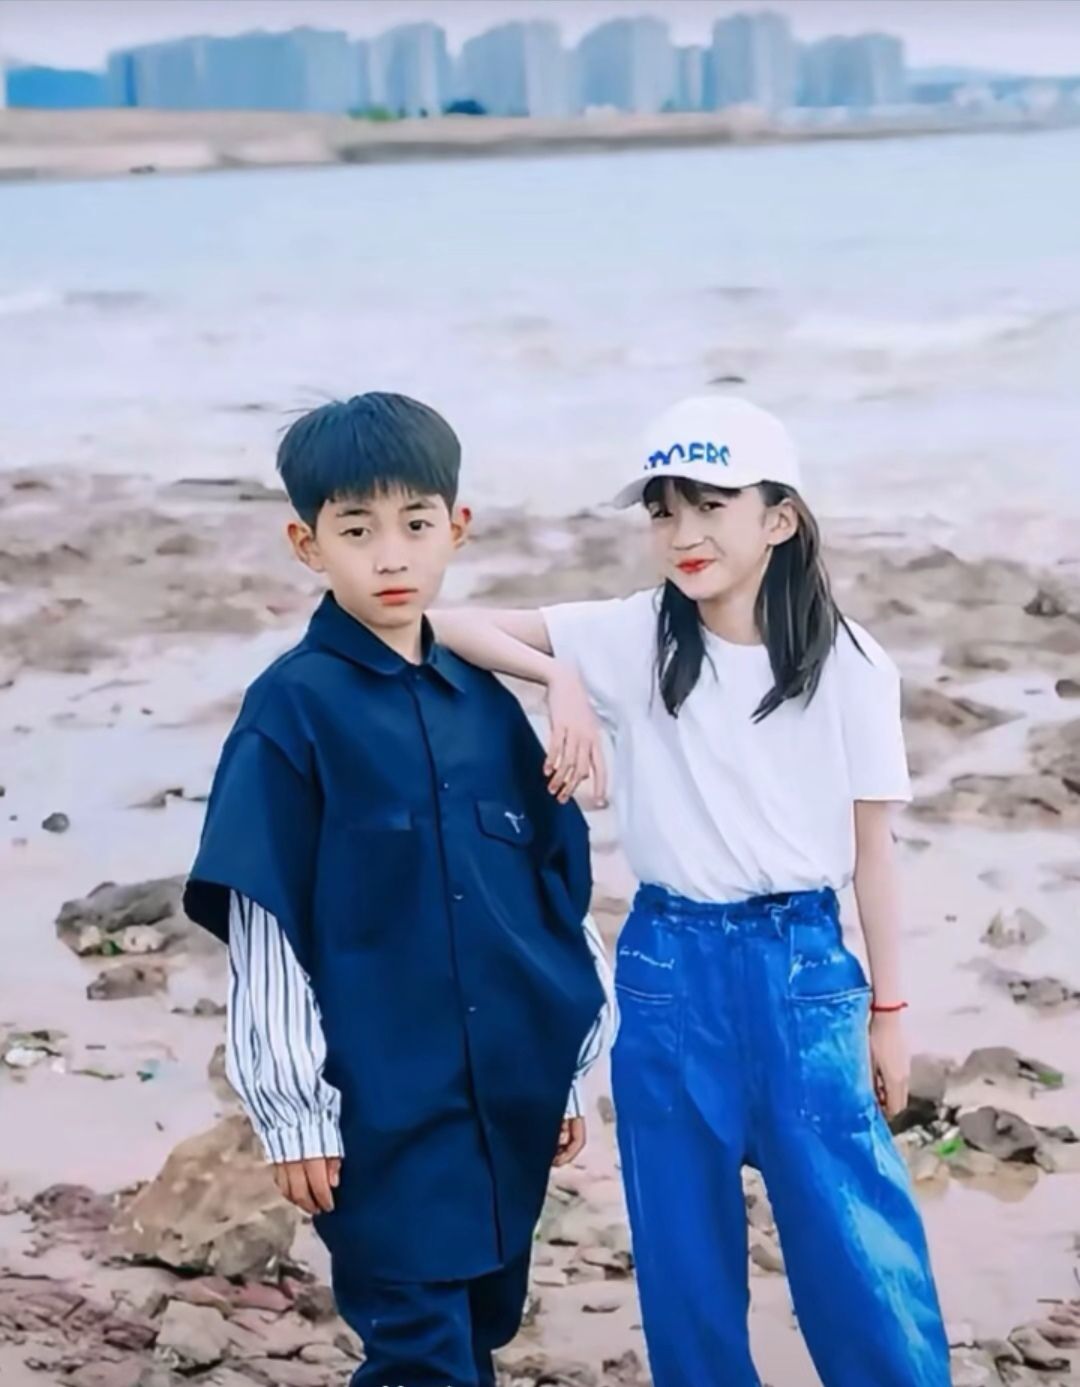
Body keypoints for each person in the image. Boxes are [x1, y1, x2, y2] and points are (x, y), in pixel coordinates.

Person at [430, 395, 951, 1387]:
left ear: (779, 518)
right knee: (684, 1264)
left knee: (859, 1249)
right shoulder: (632, 636)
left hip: (802, 971)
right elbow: (438, 621)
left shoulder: (850, 664)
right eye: (664, 510)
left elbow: (874, 853)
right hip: (668, 968)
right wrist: (558, 678)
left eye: (712, 504)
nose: (684, 534)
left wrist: (890, 1012)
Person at [182, 392, 612, 1387]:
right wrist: (292, 1110)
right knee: (419, 1351)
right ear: (307, 543)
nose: (391, 556)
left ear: (457, 528)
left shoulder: (485, 707)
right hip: (375, 1111)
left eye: (416, 525)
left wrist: (565, 1068)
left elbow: (550, 900)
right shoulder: (291, 710)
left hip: (504, 1101)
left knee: (480, 1329)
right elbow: (263, 917)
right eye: (357, 529)